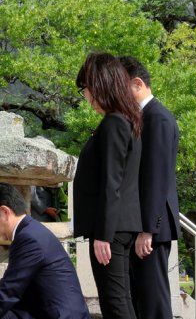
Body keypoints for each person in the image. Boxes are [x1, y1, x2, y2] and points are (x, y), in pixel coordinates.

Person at [73, 52, 142, 319]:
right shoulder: (128, 119)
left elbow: (112, 182)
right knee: (121, 299)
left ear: (100, 85)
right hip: (121, 225)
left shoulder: (114, 123)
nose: (87, 98)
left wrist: (103, 233)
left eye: (86, 90)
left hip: (111, 229)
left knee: (114, 303)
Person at [0, 183, 90, 319]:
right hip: (43, 310)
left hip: (61, 315)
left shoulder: (28, 238)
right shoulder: (30, 230)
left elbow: (8, 293)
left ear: (4, 212)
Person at [119, 56, 181, 319]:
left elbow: (157, 177)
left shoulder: (158, 118)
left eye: (120, 89)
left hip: (151, 228)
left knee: (153, 301)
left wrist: (147, 230)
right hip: (144, 225)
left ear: (137, 84)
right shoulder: (144, 116)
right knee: (142, 298)